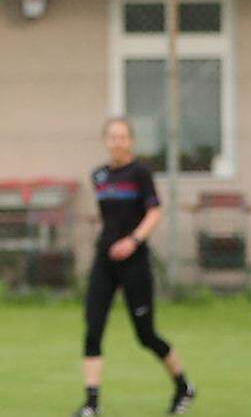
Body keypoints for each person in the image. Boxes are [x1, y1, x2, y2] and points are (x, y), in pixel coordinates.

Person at [72, 118, 196, 416]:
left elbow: (155, 211)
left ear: (131, 140)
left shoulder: (140, 172)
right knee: (93, 329)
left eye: (122, 136)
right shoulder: (99, 175)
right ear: (105, 140)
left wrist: (133, 240)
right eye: (112, 137)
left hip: (134, 262)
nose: (117, 141)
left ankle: (183, 386)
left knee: (145, 334)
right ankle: (92, 403)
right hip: (105, 261)